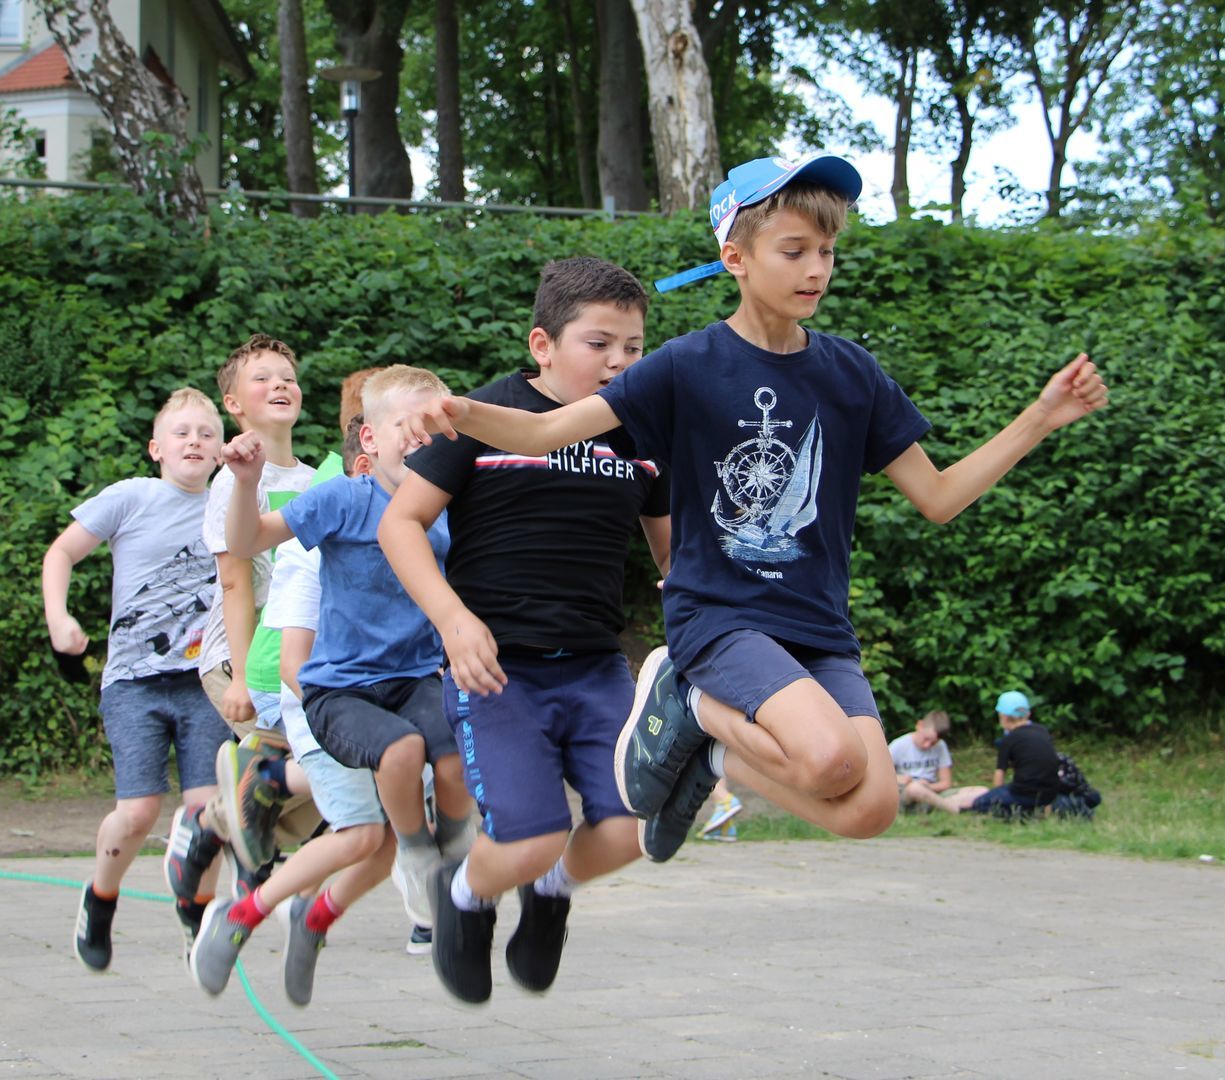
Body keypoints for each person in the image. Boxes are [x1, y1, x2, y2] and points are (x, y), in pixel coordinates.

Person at [404, 152, 1109, 865]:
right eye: (794, 251)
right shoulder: (684, 364)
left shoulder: (853, 373)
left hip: (818, 625)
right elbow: (545, 431)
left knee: (870, 806)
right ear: (735, 258)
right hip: (720, 616)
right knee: (828, 757)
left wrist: (1041, 418)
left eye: (826, 251)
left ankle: (707, 751)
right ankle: (688, 698)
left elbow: (939, 497)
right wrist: (463, 412)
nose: (816, 269)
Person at [377, 256, 670, 1004]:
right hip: (498, 673)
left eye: (633, 347)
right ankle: (464, 897)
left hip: (597, 667)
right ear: (543, 344)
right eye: (599, 344)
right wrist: (453, 620)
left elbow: (673, 554)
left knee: (637, 828)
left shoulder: (641, 432)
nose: (619, 362)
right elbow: (400, 524)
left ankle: (549, 892)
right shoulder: (482, 416)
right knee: (532, 833)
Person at [222, 364, 474, 941]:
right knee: (400, 758)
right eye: (406, 425)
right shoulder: (343, 498)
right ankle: (416, 852)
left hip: (415, 680)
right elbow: (246, 541)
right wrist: (244, 481)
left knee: (458, 750)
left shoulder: (450, 510)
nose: (421, 437)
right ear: (369, 439)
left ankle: (456, 852)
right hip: (342, 688)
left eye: (433, 428)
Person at [189, 417, 398, 1007]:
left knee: (400, 838)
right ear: (364, 470)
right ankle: (243, 911)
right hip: (320, 703)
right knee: (360, 835)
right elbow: (293, 666)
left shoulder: (423, 535)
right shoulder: (313, 551)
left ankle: (313, 913)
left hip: (384, 707)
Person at [42, 388, 231, 970]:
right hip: (134, 682)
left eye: (206, 433)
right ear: (156, 449)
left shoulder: (231, 504)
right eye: (182, 433)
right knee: (139, 811)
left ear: (222, 450)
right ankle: (100, 899)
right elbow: (60, 554)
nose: (194, 441)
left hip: (205, 681)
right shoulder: (131, 497)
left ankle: (196, 916)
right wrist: (59, 619)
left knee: (208, 809)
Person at [163, 334, 317, 912]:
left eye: (288, 377)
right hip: (240, 656)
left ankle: (215, 830)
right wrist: (244, 677)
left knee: (317, 774)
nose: (280, 385)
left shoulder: (314, 479)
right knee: (305, 763)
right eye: (263, 378)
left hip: (292, 654)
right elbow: (234, 583)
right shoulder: (234, 479)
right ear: (233, 404)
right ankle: (222, 837)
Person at [964, 691, 1062, 817]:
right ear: (1028, 713)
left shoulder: (1009, 739)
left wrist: (996, 795)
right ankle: (1039, 811)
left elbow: (1000, 773)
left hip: (1024, 793)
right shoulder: (1042, 730)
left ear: (1003, 717)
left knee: (981, 803)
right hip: (1050, 793)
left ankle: (1018, 813)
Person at [889, 710, 962, 814]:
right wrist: (898, 778)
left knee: (979, 791)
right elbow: (880, 775)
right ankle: (954, 809)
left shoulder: (941, 746)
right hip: (906, 791)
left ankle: (932, 805)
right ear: (919, 725)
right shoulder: (898, 745)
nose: (927, 745)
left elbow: (946, 783)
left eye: (933, 743)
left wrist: (929, 787)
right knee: (914, 789)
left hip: (931, 790)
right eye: (926, 739)